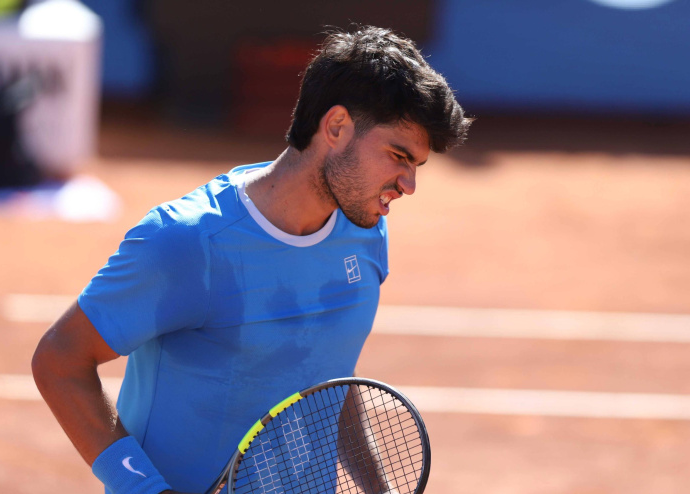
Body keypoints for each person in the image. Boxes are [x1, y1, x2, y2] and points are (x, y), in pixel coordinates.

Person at [32, 25, 471, 494]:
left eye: (415, 166)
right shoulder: (186, 243)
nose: (408, 184)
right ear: (337, 127)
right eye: (397, 155)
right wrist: (143, 488)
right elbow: (60, 359)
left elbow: (329, 381)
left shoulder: (364, 232)